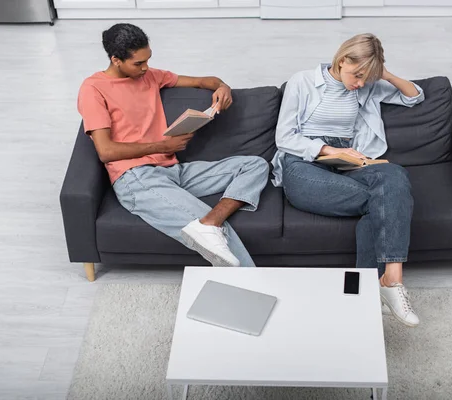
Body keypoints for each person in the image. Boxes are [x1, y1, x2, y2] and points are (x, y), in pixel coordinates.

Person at [77, 23, 269, 268]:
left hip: (173, 171)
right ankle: (255, 291)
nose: (146, 68)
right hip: (136, 177)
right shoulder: (93, 89)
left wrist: (223, 87)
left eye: (148, 60)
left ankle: (210, 221)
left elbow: (204, 81)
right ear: (116, 60)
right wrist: (162, 145)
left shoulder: (151, 76)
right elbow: (106, 152)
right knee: (219, 239)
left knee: (254, 165)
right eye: (138, 63)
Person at [272, 33, 425, 327]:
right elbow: (285, 137)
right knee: (383, 199)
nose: (359, 84)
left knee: (394, 174)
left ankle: (392, 280)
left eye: (366, 78)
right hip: (303, 162)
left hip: (350, 163)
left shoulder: (366, 86)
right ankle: (371, 289)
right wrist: (329, 149)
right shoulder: (302, 82)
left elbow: (414, 96)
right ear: (342, 61)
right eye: (356, 75)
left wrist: (383, 73)